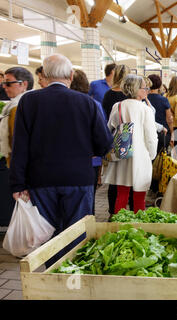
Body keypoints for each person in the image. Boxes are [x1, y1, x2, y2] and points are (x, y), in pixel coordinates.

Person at [10, 54, 112, 267]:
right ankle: (73, 275)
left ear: (45, 76)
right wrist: (85, 151)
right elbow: (104, 144)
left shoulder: (29, 101)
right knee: (76, 232)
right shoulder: (87, 103)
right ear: (71, 75)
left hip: (40, 180)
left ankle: (53, 274)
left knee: (48, 234)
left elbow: (19, 146)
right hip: (78, 178)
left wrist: (18, 184)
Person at [104, 74, 158, 214]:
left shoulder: (118, 106)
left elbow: (110, 127)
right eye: (144, 88)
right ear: (135, 89)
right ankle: (138, 227)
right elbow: (151, 137)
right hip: (140, 156)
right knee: (139, 197)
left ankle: (119, 226)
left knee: (121, 195)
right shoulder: (145, 109)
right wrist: (151, 155)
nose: (146, 90)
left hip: (122, 153)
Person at [70, 69, 107, 214]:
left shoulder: (60, 104)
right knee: (87, 198)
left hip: (67, 160)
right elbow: (101, 134)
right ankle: (87, 224)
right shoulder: (93, 104)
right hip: (90, 160)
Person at [102, 64, 132, 215]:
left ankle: (112, 212)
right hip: (130, 138)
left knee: (114, 178)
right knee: (131, 178)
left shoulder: (108, 95)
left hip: (113, 138)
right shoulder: (129, 95)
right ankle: (131, 211)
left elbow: (105, 118)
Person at [0, 67, 34, 166]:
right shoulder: (30, 103)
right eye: (3, 84)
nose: (4, 87)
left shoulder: (18, 108)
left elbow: (17, 142)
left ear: (23, 84)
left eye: (8, 83)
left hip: (21, 165)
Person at [147, 74, 174, 152]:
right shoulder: (163, 100)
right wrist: (172, 133)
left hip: (148, 133)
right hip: (163, 134)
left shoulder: (143, 99)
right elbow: (169, 119)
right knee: (160, 159)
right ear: (159, 85)